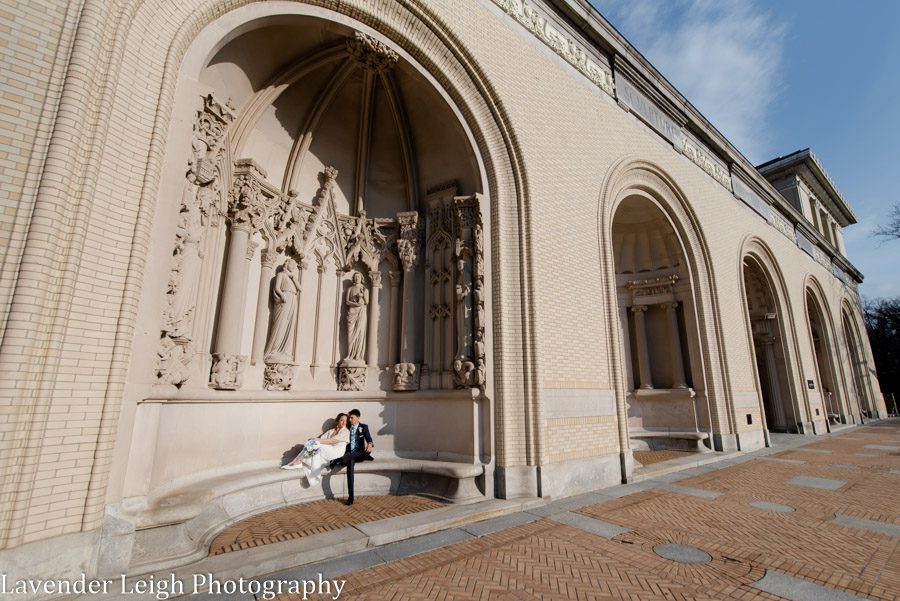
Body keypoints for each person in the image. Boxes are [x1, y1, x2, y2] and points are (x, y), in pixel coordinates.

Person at [282, 413, 350, 485]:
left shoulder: (346, 431)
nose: (343, 422)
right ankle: (300, 461)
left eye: (345, 421)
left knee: (316, 444)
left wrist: (315, 440)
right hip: (329, 449)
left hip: (336, 451)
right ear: (338, 421)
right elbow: (321, 439)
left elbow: (332, 441)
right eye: (342, 420)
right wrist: (313, 441)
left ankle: (300, 460)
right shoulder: (331, 431)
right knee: (312, 444)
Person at [329, 408, 374, 505]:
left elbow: (369, 438)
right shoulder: (348, 428)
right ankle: (351, 497)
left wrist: (370, 444)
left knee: (363, 452)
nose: (349, 420)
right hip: (350, 455)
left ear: (358, 418)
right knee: (350, 467)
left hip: (361, 453)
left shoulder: (364, 427)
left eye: (352, 418)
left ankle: (339, 460)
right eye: (349, 418)